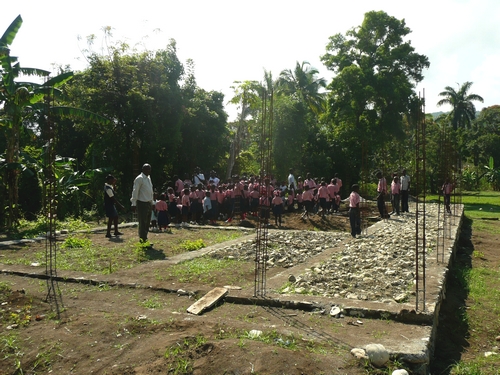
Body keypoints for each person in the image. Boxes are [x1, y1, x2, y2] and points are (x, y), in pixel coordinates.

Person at [131, 164, 154, 244]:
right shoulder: (139, 179)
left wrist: (152, 202)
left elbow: (150, 191)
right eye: (147, 169)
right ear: (143, 169)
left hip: (148, 203)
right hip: (142, 203)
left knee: (147, 222)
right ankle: (142, 240)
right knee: (142, 222)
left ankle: (145, 237)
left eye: (149, 169)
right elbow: (135, 191)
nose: (148, 171)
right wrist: (133, 203)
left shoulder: (148, 178)